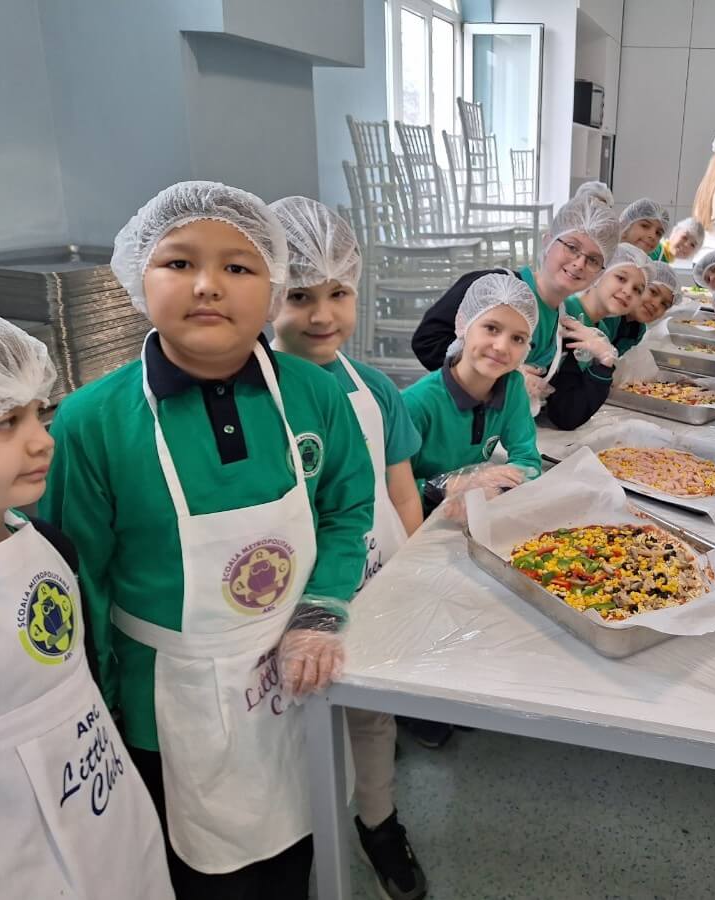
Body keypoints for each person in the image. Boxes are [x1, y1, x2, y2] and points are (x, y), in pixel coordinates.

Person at [41, 181, 377, 898]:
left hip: (297, 677)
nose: (207, 285)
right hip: (165, 709)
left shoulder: (313, 395)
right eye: (178, 263)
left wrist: (321, 612)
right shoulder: (93, 422)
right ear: (138, 276)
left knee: (296, 857)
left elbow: (348, 510)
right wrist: (100, 707)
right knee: (199, 879)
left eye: (238, 266)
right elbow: (81, 578)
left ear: (273, 284)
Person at [0, 304, 172, 900]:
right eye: (5, 421)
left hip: (108, 805)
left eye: (37, 413)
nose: (42, 440)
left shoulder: (48, 542)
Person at [265, 197, 427, 897]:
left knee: (371, 713)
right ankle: (298, 838)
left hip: (370, 581)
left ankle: (378, 819)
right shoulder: (253, 393)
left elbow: (401, 494)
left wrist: (415, 574)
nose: (322, 315)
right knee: (287, 724)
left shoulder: (375, 390)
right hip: (277, 596)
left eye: (339, 294)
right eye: (300, 296)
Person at [410, 197, 621, 416]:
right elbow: (427, 341)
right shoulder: (492, 287)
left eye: (593, 260)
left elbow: (565, 414)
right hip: (447, 422)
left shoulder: (566, 328)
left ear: (600, 273)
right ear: (548, 241)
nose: (579, 263)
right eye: (572, 247)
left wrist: (604, 363)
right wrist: (504, 376)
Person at [403, 272, 542, 512]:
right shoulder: (416, 404)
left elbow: (527, 460)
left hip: (473, 514)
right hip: (416, 521)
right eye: (491, 328)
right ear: (462, 324)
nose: (501, 347)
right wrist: (447, 488)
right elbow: (384, 487)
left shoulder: (512, 387)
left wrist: (497, 485)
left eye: (518, 338)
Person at [563, 243, 652, 352]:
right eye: (621, 278)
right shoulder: (563, 309)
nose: (628, 292)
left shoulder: (602, 333)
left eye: (637, 290)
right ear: (599, 273)